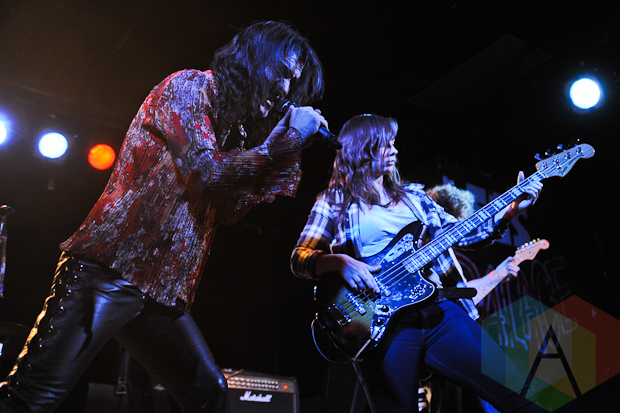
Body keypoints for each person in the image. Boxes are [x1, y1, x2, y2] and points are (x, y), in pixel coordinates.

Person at [0, 21, 327, 413]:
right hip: (109, 271)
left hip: (161, 291)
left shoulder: (235, 131)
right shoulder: (190, 87)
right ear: (255, 60)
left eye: (293, 81)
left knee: (208, 393)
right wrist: (286, 143)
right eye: (283, 73)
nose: (285, 90)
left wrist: (276, 148)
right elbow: (205, 175)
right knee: (31, 399)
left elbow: (228, 211)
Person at [290, 114, 546, 413]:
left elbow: (466, 234)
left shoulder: (414, 197)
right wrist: (340, 262)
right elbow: (300, 258)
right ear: (363, 147)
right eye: (386, 144)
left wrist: (511, 210)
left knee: (516, 391)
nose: (395, 150)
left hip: (438, 309)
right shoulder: (334, 200)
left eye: (394, 144)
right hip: (381, 323)